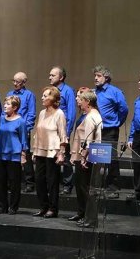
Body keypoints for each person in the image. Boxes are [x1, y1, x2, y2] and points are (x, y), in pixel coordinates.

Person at [93, 65, 128, 199]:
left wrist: (117, 122)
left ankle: (113, 188)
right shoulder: (94, 92)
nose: (95, 78)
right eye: (95, 76)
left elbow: (123, 109)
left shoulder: (115, 91)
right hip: (97, 130)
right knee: (96, 159)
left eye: (99, 76)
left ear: (106, 78)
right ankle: (96, 187)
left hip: (109, 129)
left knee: (111, 159)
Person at [32, 86, 68, 218]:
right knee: (39, 180)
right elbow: (38, 133)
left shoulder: (59, 114)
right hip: (40, 151)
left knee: (52, 182)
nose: (42, 98)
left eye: (45, 96)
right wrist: (34, 151)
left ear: (53, 98)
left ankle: (53, 208)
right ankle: (43, 206)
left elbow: (63, 135)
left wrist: (61, 153)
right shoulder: (42, 113)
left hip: (53, 152)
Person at [68, 91, 102, 227]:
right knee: (83, 187)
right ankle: (83, 214)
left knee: (86, 188)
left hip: (88, 158)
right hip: (89, 156)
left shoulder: (90, 117)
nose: (78, 101)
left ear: (87, 101)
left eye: (80, 99)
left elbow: (88, 141)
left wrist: (83, 157)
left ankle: (90, 219)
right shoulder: (93, 115)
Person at [0, 95, 28, 215]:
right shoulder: (2, 118)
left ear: (15, 107)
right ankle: (2, 205)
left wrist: (23, 155)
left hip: (14, 155)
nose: (5, 106)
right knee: (1, 181)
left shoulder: (21, 121)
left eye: (8, 104)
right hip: (1, 153)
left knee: (14, 182)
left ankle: (13, 206)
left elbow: (24, 139)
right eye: (5, 103)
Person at [7, 72, 36, 193]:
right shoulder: (10, 94)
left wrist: (26, 129)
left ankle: (29, 182)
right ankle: (12, 181)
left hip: (22, 129)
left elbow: (31, 114)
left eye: (17, 81)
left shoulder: (29, 95)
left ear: (24, 82)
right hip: (10, 129)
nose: (15, 84)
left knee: (25, 155)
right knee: (10, 155)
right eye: (13, 81)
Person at [49, 66, 76, 195]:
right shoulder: (50, 91)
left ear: (61, 77)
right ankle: (53, 183)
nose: (50, 77)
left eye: (53, 75)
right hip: (51, 129)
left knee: (64, 157)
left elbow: (71, 113)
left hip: (62, 129)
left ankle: (67, 184)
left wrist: (68, 132)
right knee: (51, 156)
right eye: (50, 75)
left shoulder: (68, 91)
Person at [126, 74, 140, 201]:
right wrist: (131, 137)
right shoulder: (139, 99)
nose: (139, 82)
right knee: (137, 165)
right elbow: (134, 120)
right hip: (138, 136)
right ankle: (138, 193)